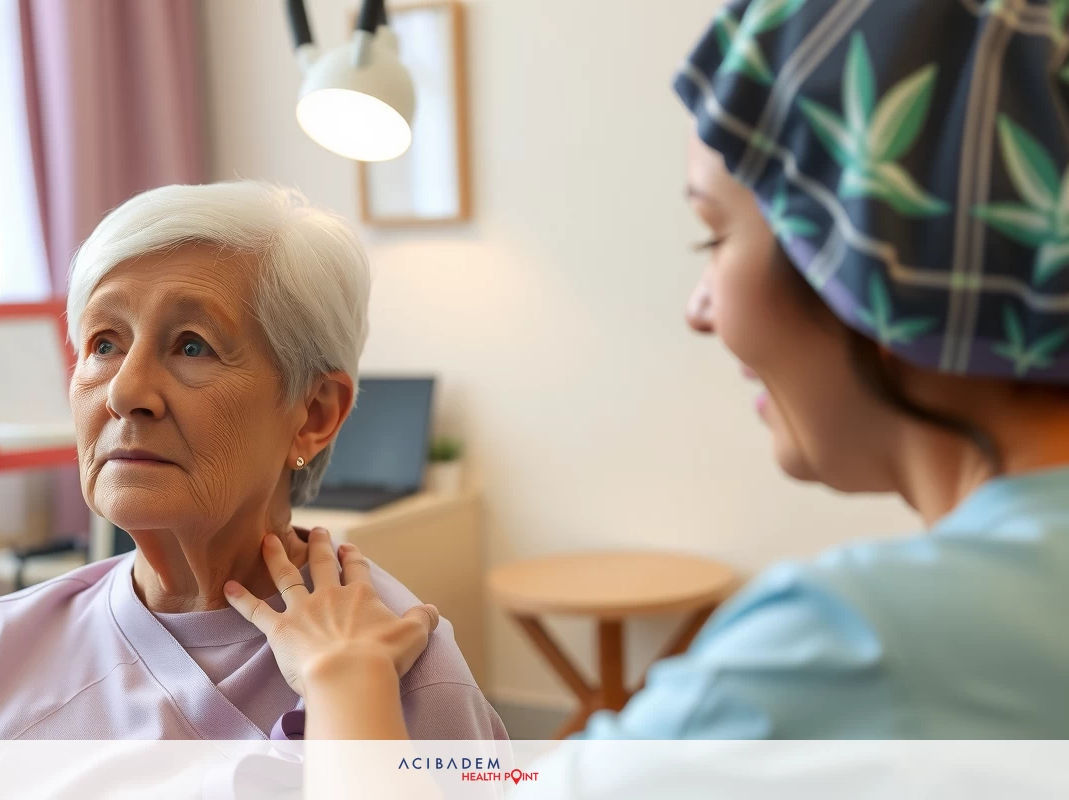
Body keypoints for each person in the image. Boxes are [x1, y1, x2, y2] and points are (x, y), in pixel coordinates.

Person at [222, 0, 1069, 764]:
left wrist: (344, 675)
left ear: (868, 253)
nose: (700, 309)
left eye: (714, 237)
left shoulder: (859, 651)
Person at [0, 182, 505, 741]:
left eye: (193, 345)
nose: (123, 392)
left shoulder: (401, 662)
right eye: (103, 343)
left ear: (315, 413)